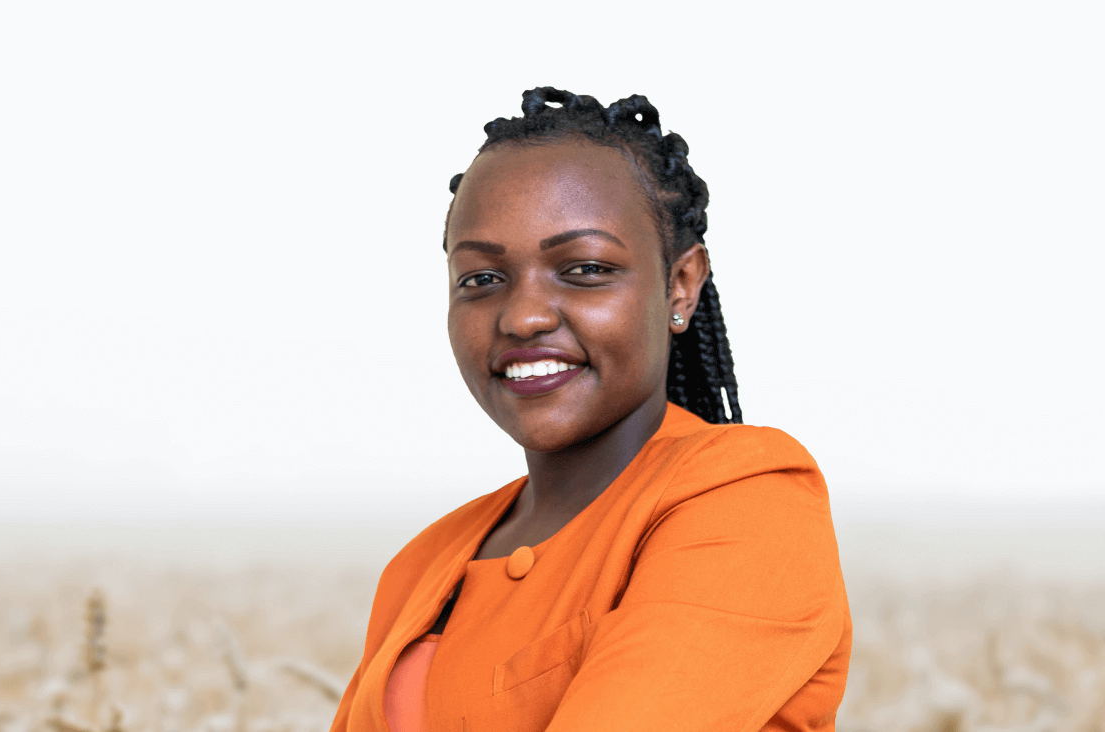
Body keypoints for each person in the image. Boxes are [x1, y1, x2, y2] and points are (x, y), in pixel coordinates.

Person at [329, 88, 851, 732]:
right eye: (482, 279)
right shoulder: (422, 566)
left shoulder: (746, 499)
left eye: (583, 268)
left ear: (680, 285)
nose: (523, 317)